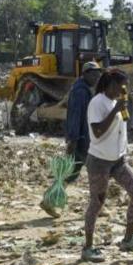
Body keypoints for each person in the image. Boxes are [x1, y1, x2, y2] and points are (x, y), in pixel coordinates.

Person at [80, 69, 133, 262]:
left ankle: (128, 239)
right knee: (97, 203)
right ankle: (88, 247)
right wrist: (115, 110)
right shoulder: (98, 103)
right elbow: (98, 132)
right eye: (122, 86)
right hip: (99, 162)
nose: (124, 89)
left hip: (118, 161)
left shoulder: (115, 103)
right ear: (111, 84)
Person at [40, 61, 102, 217]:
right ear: (86, 73)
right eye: (94, 73)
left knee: (72, 173)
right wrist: (73, 141)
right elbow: (75, 117)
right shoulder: (80, 92)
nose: (97, 76)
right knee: (95, 173)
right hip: (81, 141)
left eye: (98, 73)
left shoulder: (84, 90)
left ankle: (49, 200)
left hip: (84, 140)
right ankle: (97, 207)